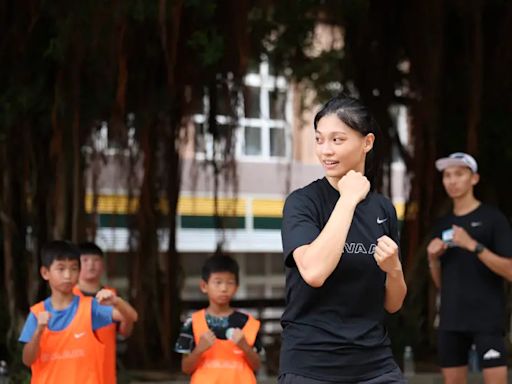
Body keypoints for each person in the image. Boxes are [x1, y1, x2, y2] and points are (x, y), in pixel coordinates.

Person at [279, 94, 407, 383]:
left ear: (367, 143)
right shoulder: (302, 203)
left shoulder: (383, 209)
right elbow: (314, 272)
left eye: (337, 140)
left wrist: (394, 269)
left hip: (374, 363)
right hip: (311, 364)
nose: (326, 150)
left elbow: (393, 303)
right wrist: (347, 200)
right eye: (319, 139)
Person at [427, 152, 512, 384]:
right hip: (451, 320)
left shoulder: (493, 219)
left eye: (459, 174)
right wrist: (432, 259)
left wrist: (473, 245)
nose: (452, 181)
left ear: (473, 179)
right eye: (447, 175)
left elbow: (510, 270)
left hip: (487, 320)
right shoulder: (442, 224)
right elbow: (441, 284)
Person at [19, 240, 137, 384]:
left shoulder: (90, 307)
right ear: (45, 273)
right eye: (61, 269)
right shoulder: (37, 313)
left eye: (74, 268)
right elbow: (27, 360)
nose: (68, 275)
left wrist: (116, 302)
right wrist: (38, 332)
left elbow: (132, 316)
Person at [174, 255, 262, 384]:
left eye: (230, 282)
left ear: (237, 287)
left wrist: (245, 347)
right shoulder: (192, 323)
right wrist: (199, 349)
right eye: (218, 282)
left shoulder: (248, 323)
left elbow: (257, 366)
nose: (224, 288)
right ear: (204, 286)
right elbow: (186, 368)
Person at [73, 242, 138, 384]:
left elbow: (125, 331)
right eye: (85, 260)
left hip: (105, 371)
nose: (91, 265)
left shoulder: (113, 296)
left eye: (96, 260)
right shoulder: (68, 296)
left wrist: (125, 316)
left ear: (102, 265)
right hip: (74, 370)